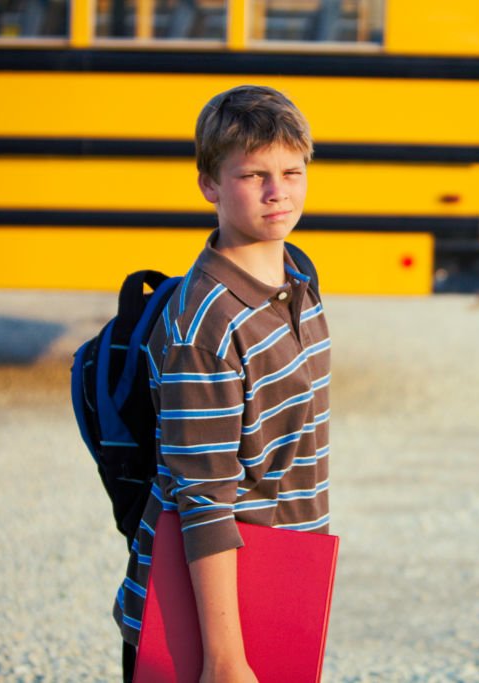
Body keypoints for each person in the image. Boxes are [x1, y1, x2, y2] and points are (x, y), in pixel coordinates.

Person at [113, 85, 331, 682]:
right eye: (252, 174)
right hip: (206, 628)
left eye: (292, 170)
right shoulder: (205, 326)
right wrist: (225, 660)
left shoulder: (299, 282)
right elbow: (203, 500)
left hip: (281, 591)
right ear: (209, 184)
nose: (277, 191)